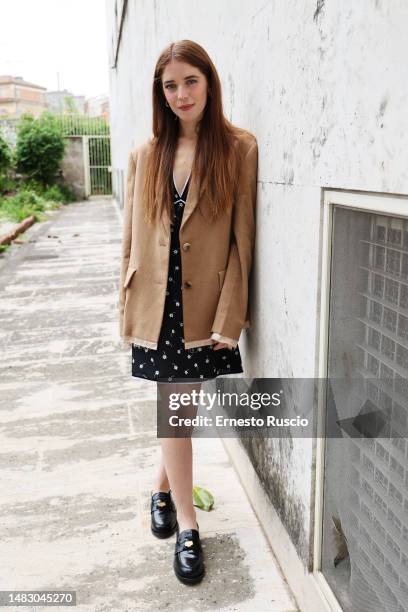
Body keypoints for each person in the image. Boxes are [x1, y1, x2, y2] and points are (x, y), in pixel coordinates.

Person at [118, 39, 258, 585]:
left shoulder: (238, 149)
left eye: (189, 82)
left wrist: (232, 316)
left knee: (180, 409)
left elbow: (241, 242)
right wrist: (126, 303)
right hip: (158, 304)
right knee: (176, 409)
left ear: (209, 82)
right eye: (170, 85)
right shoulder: (143, 156)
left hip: (205, 306)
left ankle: (161, 489)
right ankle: (188, 526)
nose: (180, 94)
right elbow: (131, 242)